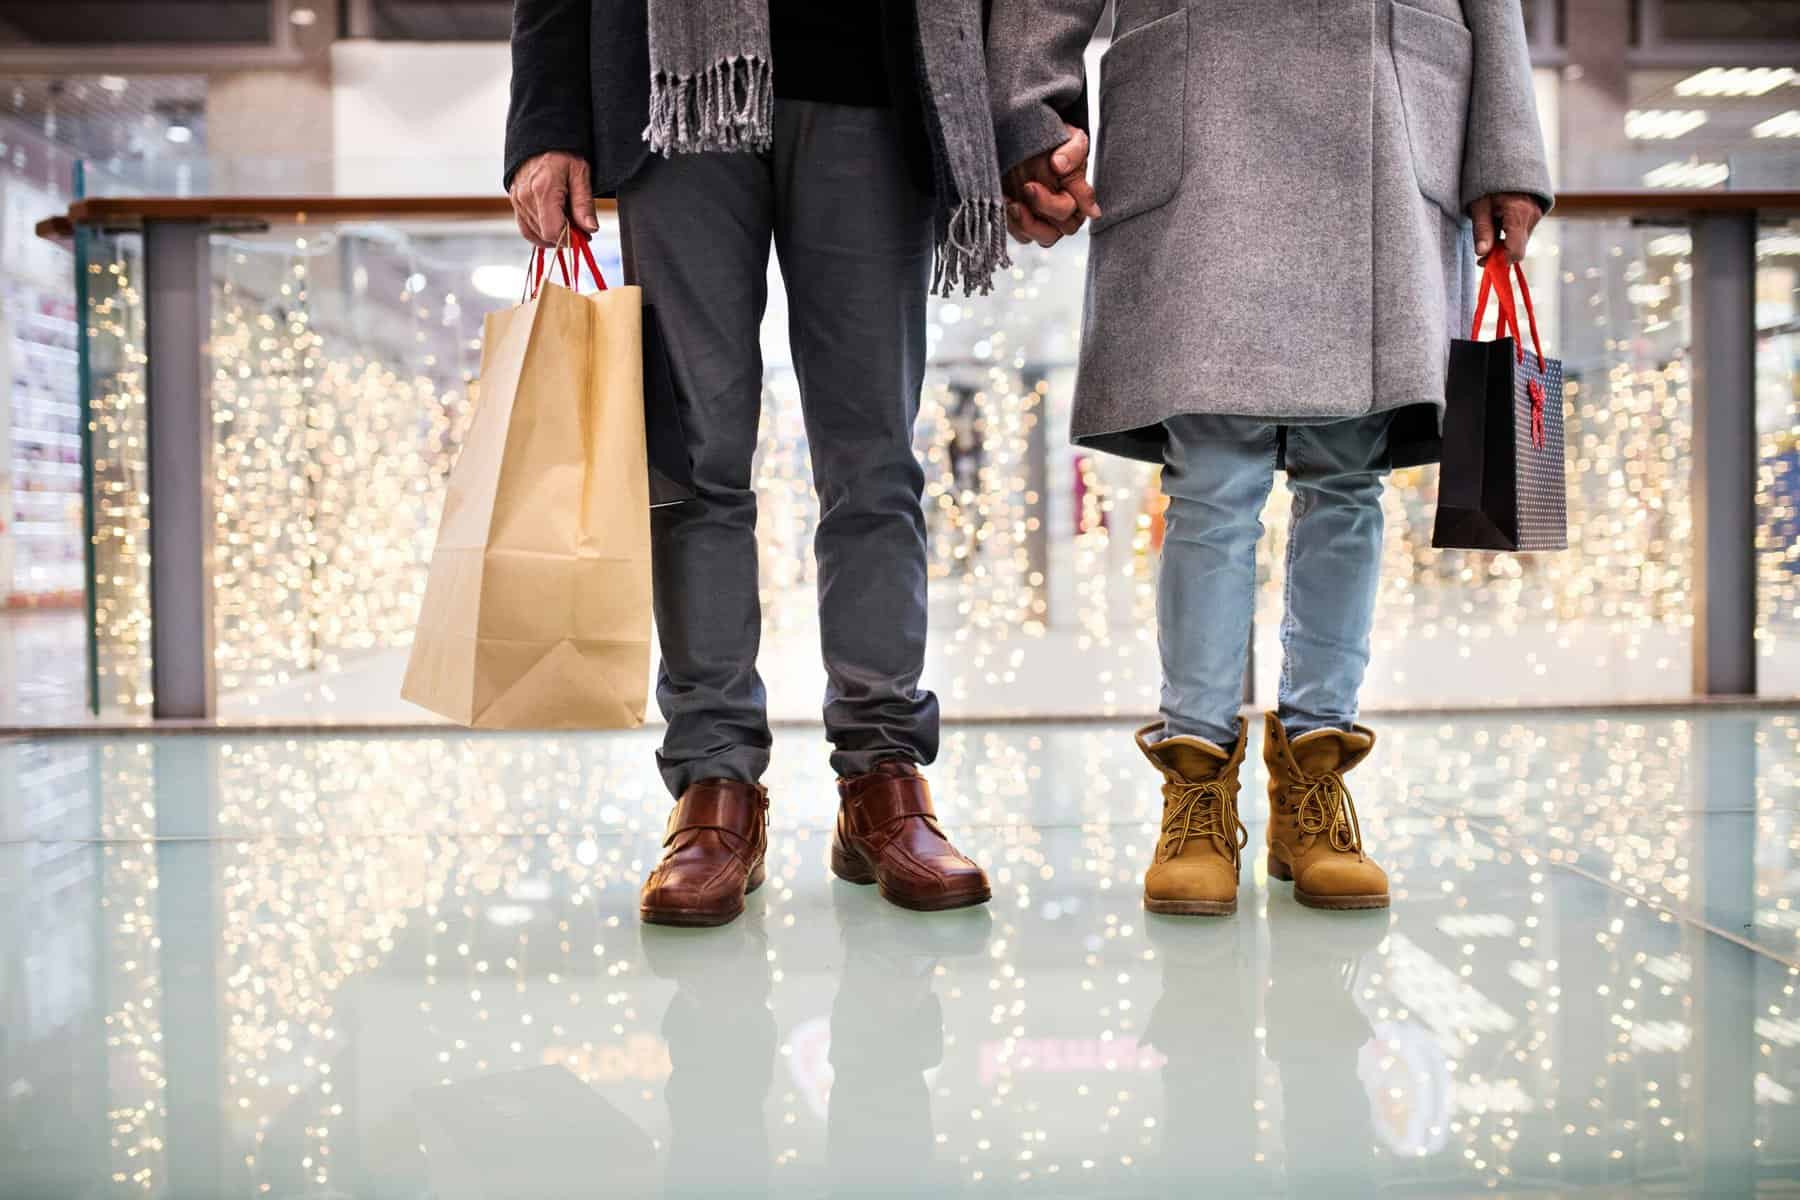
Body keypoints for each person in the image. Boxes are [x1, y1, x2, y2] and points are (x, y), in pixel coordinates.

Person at [504, 1, 1084, 926]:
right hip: (678, 92)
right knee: (696, 463)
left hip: (873, 81)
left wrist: (1024, 117)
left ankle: (882, 782)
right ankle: (713, 789)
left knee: (875, 463)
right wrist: (545, 122)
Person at [988, 0, 1552, 914]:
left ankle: (1316, 773)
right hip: (1202, 101)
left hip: (1388, 96)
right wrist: (1033, 107)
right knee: (1212, 478)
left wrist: (1507, 153)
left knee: (1348, 477)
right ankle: (1196, 784)